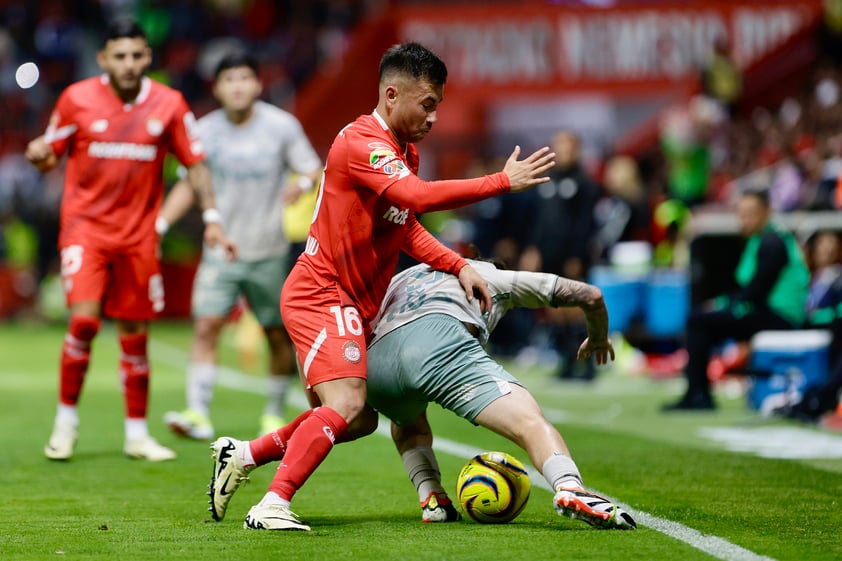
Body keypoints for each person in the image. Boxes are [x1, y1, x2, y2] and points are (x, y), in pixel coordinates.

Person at [206, 41, 556, 531]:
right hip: (321, 294)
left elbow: (405, 223)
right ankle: (271, 505)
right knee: (347, 405)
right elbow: (415, 196)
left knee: (359, 419)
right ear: (392, 95)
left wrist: (458, 265)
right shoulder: (361, 143)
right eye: (428, 104)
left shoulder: (403, 151)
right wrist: (499, 181)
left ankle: (243, 455)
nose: (434, 117)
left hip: (352, 301)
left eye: (438, 106)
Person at [25, 19, 234, 462]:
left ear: (148, 57)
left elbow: (195, 164)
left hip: (139, 236)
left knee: (135, 335)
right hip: (86, 231)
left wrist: (212, 216)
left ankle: (136, 434)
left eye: (137, 55)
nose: (129, 64)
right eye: (119, 56)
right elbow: (49, 152)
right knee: (83, 322)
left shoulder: (170, 104)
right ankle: (66, 424)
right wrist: (39, 155)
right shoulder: (76, 99)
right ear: (103, 59)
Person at [365, 257, 636, 529]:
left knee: (406, 420)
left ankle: (433, 498)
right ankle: (570, 486)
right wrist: (599, 337)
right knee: (530, 422)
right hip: (438, 340)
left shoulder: (406, 275)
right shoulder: (491, 276)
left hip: (374, 366)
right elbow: (591, 295)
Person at [156, 50, 323, 440]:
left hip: (269, 249)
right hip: (222, 247)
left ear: (258, 84)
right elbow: (189, 182)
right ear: (216, 88)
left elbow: (312, 168)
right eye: (229, 79)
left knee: (276, 333)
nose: (237, 86)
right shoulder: (204, 130)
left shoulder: (281, 126)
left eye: (245, 78)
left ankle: (274, 412)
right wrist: (160, 224)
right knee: (206, 325)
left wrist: (300, 184)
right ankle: (197, 413)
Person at [663, 188, 810, 411]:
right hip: (766, 310)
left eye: (751, 213)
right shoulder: (758, 241)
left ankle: (698, 394)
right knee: (703, 321)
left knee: (699, 320)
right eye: (741, 213)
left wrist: (723, 304)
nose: (745, 219)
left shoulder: (772, 242)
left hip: (781, 316)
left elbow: (757, 290)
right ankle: (698, 392)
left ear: (767, 213)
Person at [518, 130, 601, 380]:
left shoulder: (586, 184)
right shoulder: (545, 182)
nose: (563, 152)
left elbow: (586, 224)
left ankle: (587, 364)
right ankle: (567, 360)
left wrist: (577, 256)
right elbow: (538, 221)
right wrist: (532, 249)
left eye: (568, 147)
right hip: (548, 255)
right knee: (555, 309)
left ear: (577, 150)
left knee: (577, 308)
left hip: (573, 257)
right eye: (559, 147)